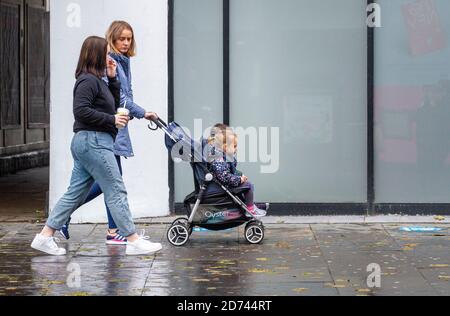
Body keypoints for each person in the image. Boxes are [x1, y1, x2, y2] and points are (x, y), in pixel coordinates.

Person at [31, 36, 162, 256]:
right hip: (94, 142)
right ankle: (132, 239)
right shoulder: (87, 81)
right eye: (105, 52)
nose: (109, 56)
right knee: (116, 189)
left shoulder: (97, 80)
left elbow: (112, 104)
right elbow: (80, 111)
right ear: (95, 54)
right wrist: (111, 121)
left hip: (91, 142)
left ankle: (44, 236)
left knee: (75, 193)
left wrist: (113, 79)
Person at [59, 21, 158, 245]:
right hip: (104, 131)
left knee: (105, 182)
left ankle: (104, 227)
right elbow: (118, 99)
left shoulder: (122, 62)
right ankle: (114, 232)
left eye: (129, 38)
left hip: (112, 129)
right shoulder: (107, 62)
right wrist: (143, 113)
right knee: (112, 183)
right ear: (111, 39)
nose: (125, 43)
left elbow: (120, 96)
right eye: (121, 38)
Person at [208, 126, 267, 218]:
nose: (236, 149)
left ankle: (250, 205)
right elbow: (225, 176)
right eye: (234, 146)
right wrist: (239, 179)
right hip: (221, 187)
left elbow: (231, 171)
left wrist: (240, 175)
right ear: (225, 147)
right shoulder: (219, 160)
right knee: (248, 186)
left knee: (246, 184)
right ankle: (251, 210)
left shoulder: (223, 157)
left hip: (224, 184)